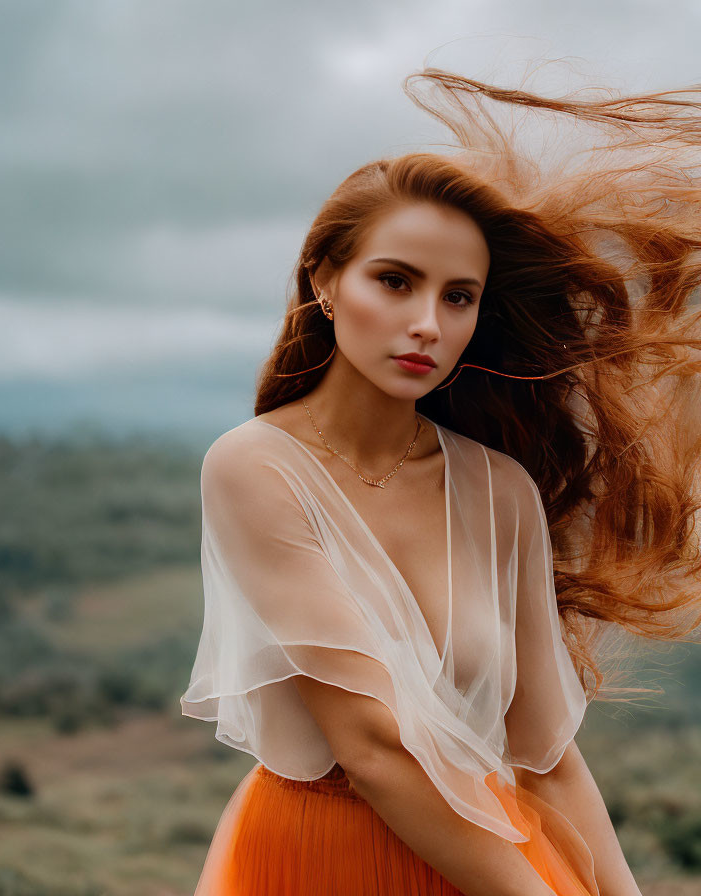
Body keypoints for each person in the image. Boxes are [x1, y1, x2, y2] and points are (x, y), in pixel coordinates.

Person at [180, 66, 701, 895]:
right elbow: (374, 749)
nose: (428, 322)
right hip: (320, 860)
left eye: (458, 297)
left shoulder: (499, 491)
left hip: (490, 854)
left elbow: (545, 756)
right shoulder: (255, 466)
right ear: (325, 281)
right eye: (395, 281)